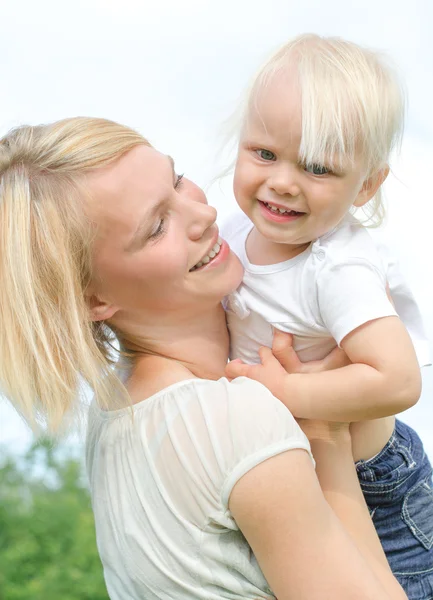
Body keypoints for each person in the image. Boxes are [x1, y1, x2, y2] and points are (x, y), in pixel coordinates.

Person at [0, 117, 407, 599]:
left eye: (176, 180)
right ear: (92, 300)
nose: (203, 215)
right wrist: (326, 432)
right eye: (156, 227)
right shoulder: (237, 418)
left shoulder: (112, 410)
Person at [222, 34, 433, 598]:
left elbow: (397, 379)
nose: (282, 181)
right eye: (263, 153)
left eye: (317, 167)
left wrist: (287, 393)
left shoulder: (338, 266)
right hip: (297, 473)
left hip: (375, 487)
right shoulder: (233, 235)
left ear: (366, 185)